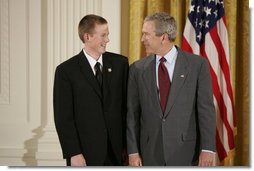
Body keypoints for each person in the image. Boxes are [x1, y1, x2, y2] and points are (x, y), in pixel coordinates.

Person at [127, 12, 216, 166]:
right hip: (149, 154)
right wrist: (133, 152)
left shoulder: (197, 65)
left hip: (186, 153)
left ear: (163, 37)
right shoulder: (137, 69)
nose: (142, 39)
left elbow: (206, 110)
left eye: (146, 34)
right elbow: (132, 114)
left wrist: (207, 148)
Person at [53, 14, 128, 166]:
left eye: (107, 35)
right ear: (87, 37)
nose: (107, 40)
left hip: (117, 153)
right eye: (103, 35)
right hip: (85, 155)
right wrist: (74, 153)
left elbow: (127, 109)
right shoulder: (66, 71)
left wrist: (130, 148)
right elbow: (63, 118)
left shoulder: (121, 64)